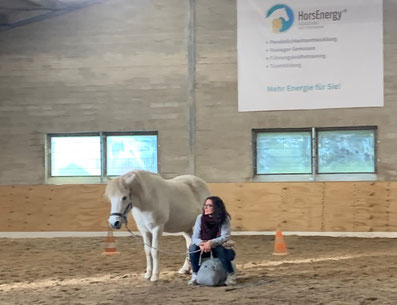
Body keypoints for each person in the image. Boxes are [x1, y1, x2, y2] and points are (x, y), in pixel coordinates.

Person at [188, 196, 236, 286]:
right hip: (204, 247)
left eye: (209, 205)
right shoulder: (200, 218)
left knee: (219, 249)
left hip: (219, 246)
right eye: (205, 205)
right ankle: (195, 274)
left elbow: (225, 236)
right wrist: (201, 243)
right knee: (193, 248)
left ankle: (231, 274)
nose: (206, 208)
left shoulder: (224, 219)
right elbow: (195, 237)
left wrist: (211, 243)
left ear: (216, 207)